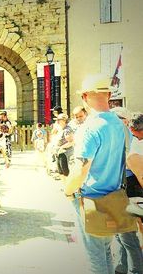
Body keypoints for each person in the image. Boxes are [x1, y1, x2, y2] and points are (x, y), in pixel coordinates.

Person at [64, 74, 130, 274]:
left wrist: (68, 190)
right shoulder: (120, 124)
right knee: (106, 252)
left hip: (91, 198)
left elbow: (81, 169)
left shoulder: (89, 128)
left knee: (95, 258)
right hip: (114, 197)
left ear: (84, 97)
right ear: (109, 94)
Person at [111, 110, 143, 274]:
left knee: (126, 233)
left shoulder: (131, 136)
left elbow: (132, 162)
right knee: (121, 233)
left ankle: (134, 269)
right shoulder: (126, 133)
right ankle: (121, 267)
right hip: (121, 184)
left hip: (130, 183)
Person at [54, 114, 74, 181]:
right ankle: (65, 186)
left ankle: (69, 188)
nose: (57, 121)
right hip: (59, 153)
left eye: (59, 120)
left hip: (65, 153)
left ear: (64, 120)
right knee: (60, 171)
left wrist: (61, 148)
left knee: (65, 171)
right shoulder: (61, 129)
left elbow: (71, 142)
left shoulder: (67, 130)